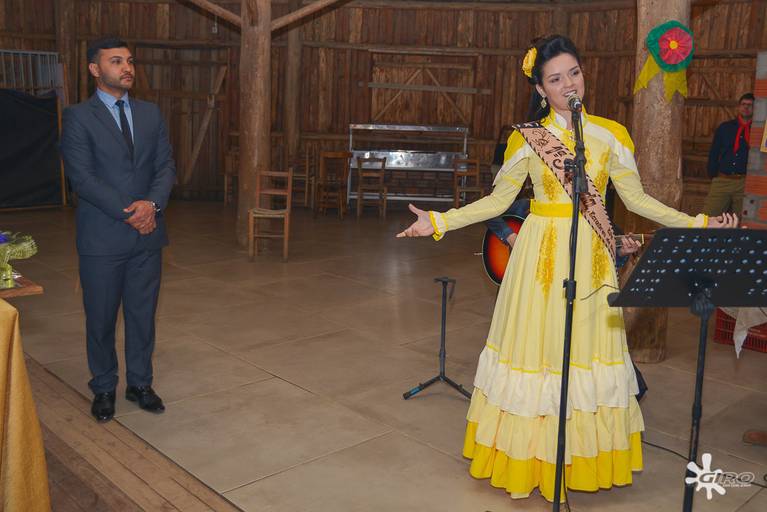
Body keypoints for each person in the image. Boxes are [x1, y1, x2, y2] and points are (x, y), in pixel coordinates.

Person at [397, 34, 737, 502]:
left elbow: (638, 201)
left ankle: (578, 461)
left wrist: (698, 223)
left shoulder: (611, 135)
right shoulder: (526, 139)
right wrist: (438, 221)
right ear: (540, 89)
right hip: (538, 261)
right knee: (538, 356)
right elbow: (497, 202)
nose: (568, 84)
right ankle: (532, 461)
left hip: (591, 262)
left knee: (584, 357)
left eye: (574, 73)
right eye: (555, 79)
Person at [60, 37, 176, 423]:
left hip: (147, 235)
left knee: (143, 316)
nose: (127, 68)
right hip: (102, 237)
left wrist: (151, 206)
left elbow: (165, 167)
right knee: (101, 318)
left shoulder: (150, 114)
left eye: (129, 61)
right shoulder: (78, 117)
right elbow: (83, 178)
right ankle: (104, 386)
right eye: (115, 61)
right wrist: (131, 212)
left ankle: (140, 384)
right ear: (95, 69)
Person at [703, 92, 754, 216]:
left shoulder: (757, 131)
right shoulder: (725, 128)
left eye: (750, 105)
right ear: (739, 107)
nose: (746, 107)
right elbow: (714, 152)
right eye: (743, 104)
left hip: (744, 183)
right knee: (708, 217)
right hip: (722, 180)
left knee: (742, 220)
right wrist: (713, 174)